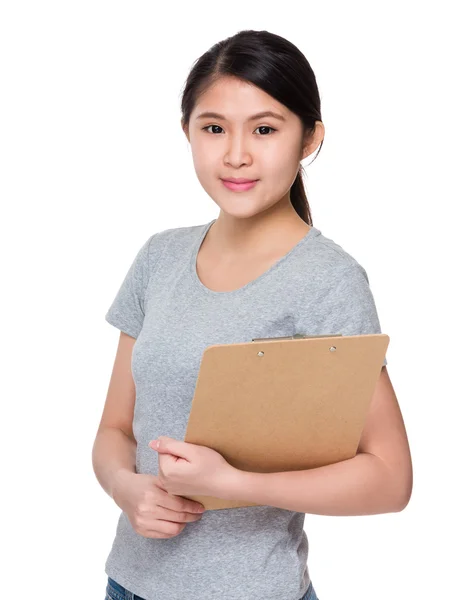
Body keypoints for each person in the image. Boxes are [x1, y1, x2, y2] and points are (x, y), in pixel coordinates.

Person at [92, 29, 412, 600]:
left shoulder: (327, 281)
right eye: (213, 128)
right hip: (128, 584)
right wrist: (126, 487)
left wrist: (232, 483)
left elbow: (390, 479)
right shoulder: (159, 257)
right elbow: (116, 429)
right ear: (187, 132)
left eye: (265, 129)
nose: (235, 154)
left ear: (310, 138)